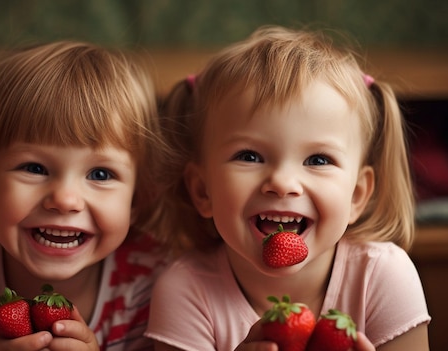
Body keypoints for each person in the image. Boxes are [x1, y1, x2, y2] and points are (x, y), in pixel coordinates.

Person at [145, 25, 431, 351]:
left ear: (356, 195)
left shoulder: (383, 276)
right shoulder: (184, 291)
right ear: (202, 191)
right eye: (249, 156)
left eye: (318, 160)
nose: (283, 183)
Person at [0, 41, 171, 351]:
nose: (65, 199)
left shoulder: (152, 283)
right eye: (34, 168)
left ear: (136, 200)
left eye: (100, 174)